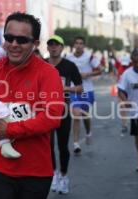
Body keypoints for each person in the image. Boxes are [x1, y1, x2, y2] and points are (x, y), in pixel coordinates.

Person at [0, 12, 64, 199]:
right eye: (9, 37)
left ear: (35, 44)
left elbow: (52, 117)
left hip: (35, 172)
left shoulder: (48, 73)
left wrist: (10, 130)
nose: (13, 44)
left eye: (22, 40)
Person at [46, 35, 83, 194]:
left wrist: (65, 89)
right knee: (48, 145)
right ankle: (53, 174)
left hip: (63, 109)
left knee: (62, 146)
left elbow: (80, 87)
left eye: (57, 45)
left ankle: (64, 176)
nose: (54, 47)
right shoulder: (41, 64)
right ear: (47, 48)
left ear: (62, 48)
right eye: (51, 45)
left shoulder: (69, 66)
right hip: (44, 109)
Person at [66, 36, 102, 155]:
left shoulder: (89, 56)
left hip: (86, 90)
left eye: (81, 43)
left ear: (84, 46)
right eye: (77, 43)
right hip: (74, 89)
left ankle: (88, 132)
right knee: (76, 115)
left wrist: (88, 74)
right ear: (74, 45)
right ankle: (76, 143)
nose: (79, 45)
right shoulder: (68, 57)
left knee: (85, 114)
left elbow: (100, 70)